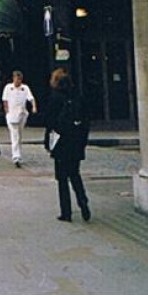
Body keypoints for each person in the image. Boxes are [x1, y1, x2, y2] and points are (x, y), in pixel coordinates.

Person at [44, 68, 91, 223]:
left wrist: (48, 143)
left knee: (62, 179)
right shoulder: (78, 97)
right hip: (76, 141)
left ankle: (66, 212)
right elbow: (86, 120)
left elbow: (50, 122)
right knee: (75, 174)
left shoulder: (55, 98)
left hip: (61, 142)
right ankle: (83, 202)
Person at [2, 69, 37, 167]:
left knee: (19, 134)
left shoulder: (25, 88)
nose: (18, 81)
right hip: (12, 114)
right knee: (15, 135)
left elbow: (31, 98)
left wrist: (34, 107)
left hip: (22, 114)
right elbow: (5, 100)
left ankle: (18, 154)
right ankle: (16, 156)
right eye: (17, 79)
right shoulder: (8, 88)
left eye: (20, 79)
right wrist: (7, 112)